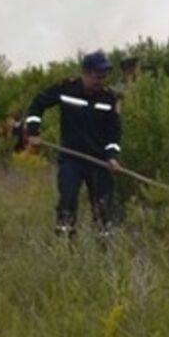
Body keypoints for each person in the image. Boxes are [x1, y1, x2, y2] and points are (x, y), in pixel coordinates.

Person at [24, 50, 123, 239]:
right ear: (85, 73)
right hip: (71, 159)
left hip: (99, 161)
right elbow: (37, 104)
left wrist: (112, 156)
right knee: (68, 200)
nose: (101, 80)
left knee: (103, 204)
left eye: (104, 76)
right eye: (97, 76)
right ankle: (65, 242)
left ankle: (104, 245)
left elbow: (114, 133)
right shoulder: (66, 88)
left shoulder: (109, 98)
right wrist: (33, 132)